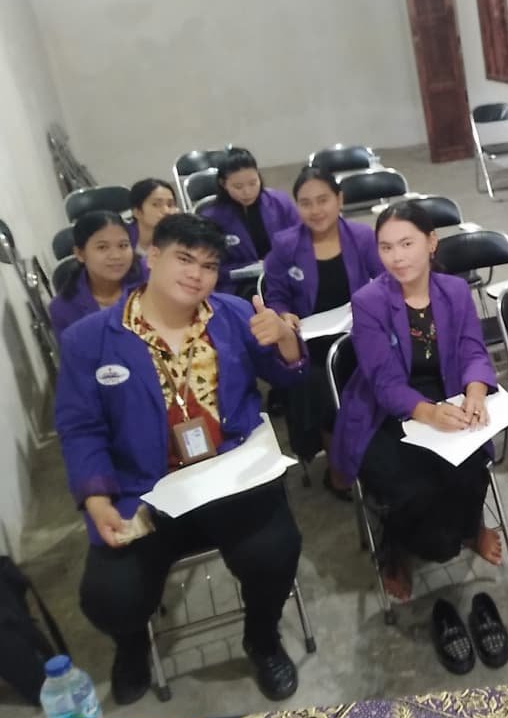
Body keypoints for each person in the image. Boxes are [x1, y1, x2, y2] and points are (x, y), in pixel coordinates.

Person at [55, 214, 308, 706]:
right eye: (185, 259)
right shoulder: (89, 340)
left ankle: (262, 637)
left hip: (230, 476)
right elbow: (80, 428)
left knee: (276, 552)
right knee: (110, 597)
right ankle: (133, 646)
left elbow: (289, 378)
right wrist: (97, 498)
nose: (197, 275)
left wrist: (284, 338)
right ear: (153, 257)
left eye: (209, 266)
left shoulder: (233, 314)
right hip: (144, 489)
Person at [329, 201, 503, 602]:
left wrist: (476, 391)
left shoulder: (454, 290)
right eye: (386, 247)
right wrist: (428, 413)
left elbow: (472, 349)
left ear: (431, 242)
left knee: (472, 469)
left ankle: (470, 528)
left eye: (407, 243)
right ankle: (395, 549)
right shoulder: (369, 301)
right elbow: (384, 381)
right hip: (384, 410)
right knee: (411, 489)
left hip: (447, 390)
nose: (397, 257)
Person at [263, 167, 383, 498]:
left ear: (339, 200)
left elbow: (385, 280)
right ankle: (338, 470)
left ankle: (376, 457)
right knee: (319, 387)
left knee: (385, 373)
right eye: (305, 203)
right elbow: (276, 296)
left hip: (358, 333)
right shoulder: (285, 245)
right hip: (311, 342)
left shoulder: (361, 237)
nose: (315, 210)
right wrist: (284, 314)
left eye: (323, 200)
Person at [201, 147, 298, 296]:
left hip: (285, 273)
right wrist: (248, 268)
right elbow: (210, 266)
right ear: (223, 184)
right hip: (239, 285)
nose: (247, 192)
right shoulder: (212, 218)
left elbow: (301, 242)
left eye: (253, 183)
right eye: (238, 187)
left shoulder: (280, 202)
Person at [49, 211, 142, 338]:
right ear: (80, 254)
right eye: (102, 247)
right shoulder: (63, 308)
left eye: (123, 245)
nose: (116, 256)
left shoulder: (151, 280)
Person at [128, 178, 179, 262]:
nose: (166, 211)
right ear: (137, 212)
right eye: (156, 205)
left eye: (170, 205)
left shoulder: (178, 239)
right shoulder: (122, 239)